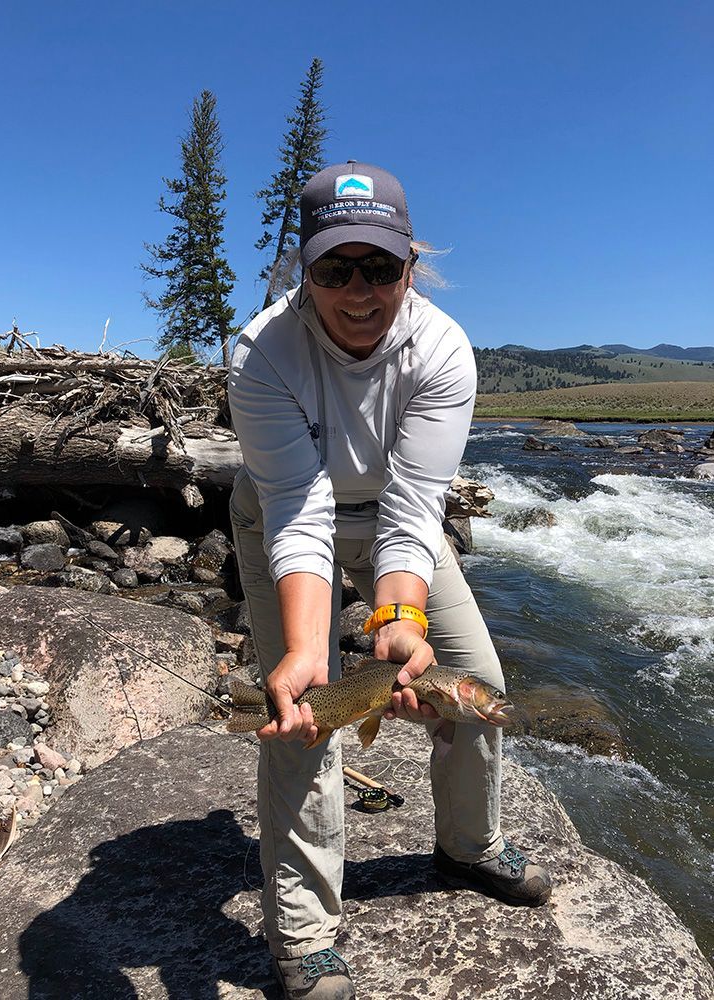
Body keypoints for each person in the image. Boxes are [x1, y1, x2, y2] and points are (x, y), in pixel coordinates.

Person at [228, 161, 551, 1000]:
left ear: (412, 265)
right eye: (336, 268)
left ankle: (468, 845)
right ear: (304, 269)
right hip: (282, 509)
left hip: (394, 516)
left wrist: (398, 618)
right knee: (306, 707)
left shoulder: (442, 349)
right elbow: (297, 508)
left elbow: (415, 504)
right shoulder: (262, 353)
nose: (360, 291)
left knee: (475, 681)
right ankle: (302, 932)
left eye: (380, 267)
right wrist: (309, 648)